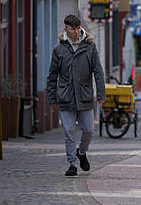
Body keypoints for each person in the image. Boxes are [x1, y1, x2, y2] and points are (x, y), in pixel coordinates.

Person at [46, 14, 105, 177]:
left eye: (78, 28)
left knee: (89, 130)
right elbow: (52, 75)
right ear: (66, 29)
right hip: (65, 96)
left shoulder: (90, 46)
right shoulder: (59, 49)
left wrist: (101, 93)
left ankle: (82, 152)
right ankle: (72, 163)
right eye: (73, 29)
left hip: (85, 95)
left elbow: (98, 72)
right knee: (69, 131)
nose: (76, 32)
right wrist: (52, 97)